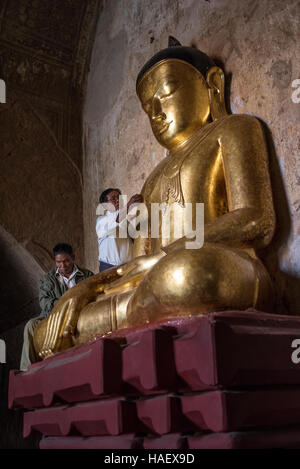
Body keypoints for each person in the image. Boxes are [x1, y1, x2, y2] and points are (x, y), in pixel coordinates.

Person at [33, 38, 276, 359]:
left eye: (166, 93)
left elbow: (256, 219)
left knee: (184, 274)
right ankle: (135, 315)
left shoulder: (234, 130)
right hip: (154, 284)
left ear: (212, 85)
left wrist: (163, 257)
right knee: (48, 327)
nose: (157, 112)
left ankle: (131, 318)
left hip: (222, 268)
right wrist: (84, 288)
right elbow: (137, 262)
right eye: (149, 107)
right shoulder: (151, 181)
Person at [20, 243, 93, 370]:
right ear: (55, 261)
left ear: (73, 257)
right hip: (53, 316)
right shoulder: (47, 279)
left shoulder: (87, 276)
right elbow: (44, 301)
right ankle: (26, 370)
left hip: (81, 314)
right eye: (59, 262)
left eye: (66, 261)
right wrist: (61, 304)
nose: (63, 266)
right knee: (30, 326)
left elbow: (94, 294)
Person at [96, 188, 142, 272]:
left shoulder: (127, 217)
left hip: (129, 267)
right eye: (113, 199)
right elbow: (117, 221)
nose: (118, 200)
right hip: (109, 268)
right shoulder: (102, 221)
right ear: (105, 205)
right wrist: (129, 205)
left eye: (119, 197)